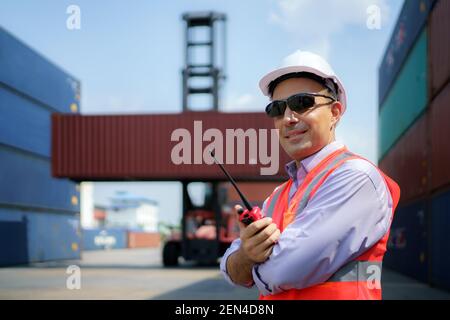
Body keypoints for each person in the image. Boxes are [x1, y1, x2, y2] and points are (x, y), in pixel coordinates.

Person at [219, 50, 400, 300]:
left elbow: (284, 269)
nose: (288, 118)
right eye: (277, 108)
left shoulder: (358, 178)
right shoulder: (277, 196)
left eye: (302, 103)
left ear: (335, 113)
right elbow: (230, 268)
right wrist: (246, 255)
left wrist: (249, 261)